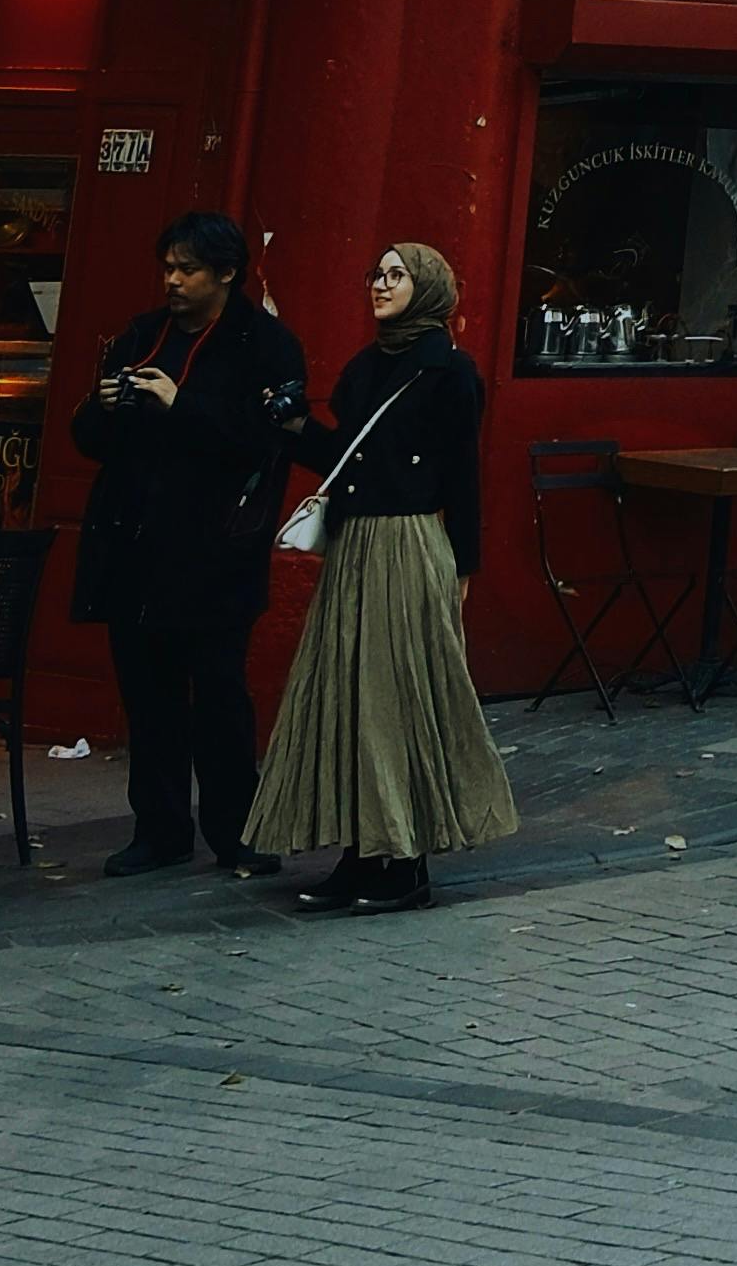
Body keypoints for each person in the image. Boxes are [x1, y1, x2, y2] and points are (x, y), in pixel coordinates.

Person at [248, 245, 516, 912]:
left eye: (397, 275)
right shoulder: (365, 367)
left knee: (395, 697)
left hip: (408, 543)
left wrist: (464, 564)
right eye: (378, 274)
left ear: (427, 288)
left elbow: (463, 475)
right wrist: (294, 426)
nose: (382, 285)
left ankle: (405, 864)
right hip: (355, 545)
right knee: (347, 694)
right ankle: (360, 854)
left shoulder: (450, 372)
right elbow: (347, 458)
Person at [69, 210, 310, 877]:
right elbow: (88, 440)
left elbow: (267, 442)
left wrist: (183, 404)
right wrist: (104, 406)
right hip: (135, 545)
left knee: (220, 695)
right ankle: (160, 829)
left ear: (227, 274)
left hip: (216, 552)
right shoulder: (144, 334)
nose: (171, 280)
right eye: (167, 267)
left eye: (187, 269)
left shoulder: (265, 344)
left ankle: (238, 830)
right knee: (148, 697)